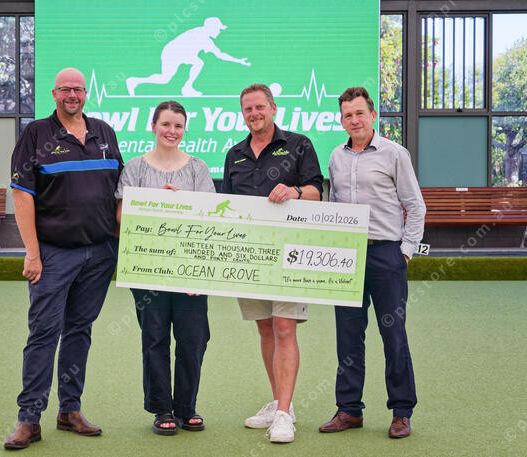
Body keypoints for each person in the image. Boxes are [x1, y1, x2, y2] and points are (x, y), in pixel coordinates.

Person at [4, 68, 123, 450]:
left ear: (86, 93)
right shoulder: (36, 134)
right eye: (65, 89)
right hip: (53, 254)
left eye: (78, 89)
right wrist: (33, 253)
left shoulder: (104, 132)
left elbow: (121, 192)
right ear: (54, 94)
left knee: (79, 331)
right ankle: (29, 419)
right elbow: (21, 194)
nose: (72, 95)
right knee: (43, 334)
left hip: (100, 253)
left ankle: (70, 411)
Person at [320, 86, 426, 439]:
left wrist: (405, 251)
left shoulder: (394, 153)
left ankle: (401, 411)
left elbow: (415, 205)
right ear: (341, 120)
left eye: (360, 113)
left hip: (386, 255)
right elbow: (333, 204)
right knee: (348, 337)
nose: (354, 120)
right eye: (348, 115)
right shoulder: (336, 156)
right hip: (347, 256)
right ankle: (349, 410)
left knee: (393, 335)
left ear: (373, 116)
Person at [222, 84, 324, 443]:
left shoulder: (299, 144)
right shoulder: (234, 154)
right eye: (248, 109)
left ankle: (282, 417)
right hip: (249, 255)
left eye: (259, 107)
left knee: (284, 328)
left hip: (290, 253)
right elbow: (226, 206)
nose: (254, 114)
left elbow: (317, 192)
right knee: (265, 329)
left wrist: (295, 192)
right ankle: (284, 403)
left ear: (273, 108)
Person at [115, 100, 215, 436]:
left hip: (191, 272)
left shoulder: (198, 168)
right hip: (147, 270)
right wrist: (155, 201)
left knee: (193, 339)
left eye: (178, 126)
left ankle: (186, 408)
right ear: (153, 126)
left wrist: (182, 203)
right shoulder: (135, 168)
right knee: (154, 338)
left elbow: (211, 218)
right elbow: (121, 216)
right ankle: (162, 409)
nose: (172, 131)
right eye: (166, 124)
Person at [125, 17, 250, 97]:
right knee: (192, 65)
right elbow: (219, 55)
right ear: (211, 28)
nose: (219, 31)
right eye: (218, 29)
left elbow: (220, 54)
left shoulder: (204, 37)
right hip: (172, 53)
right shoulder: (202, 36)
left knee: (166, 78)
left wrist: (239, 61)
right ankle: (187, 88)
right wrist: (239, 61)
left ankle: (134, 81)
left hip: (179, 54)